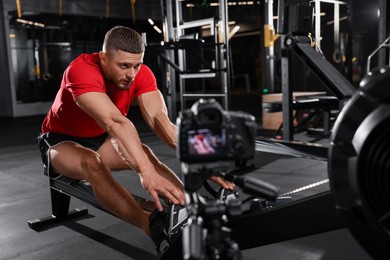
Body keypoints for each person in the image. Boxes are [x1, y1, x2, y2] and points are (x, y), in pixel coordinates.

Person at [37, 25, 234, 253]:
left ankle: (191, 208)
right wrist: (146, 174)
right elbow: (116, 122)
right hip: (59, 141)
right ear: (103, 58)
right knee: (92, 162)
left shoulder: (141, 74)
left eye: (136, 65)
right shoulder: (80, 71)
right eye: (124, 66)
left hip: (99, 138)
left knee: (146, 154)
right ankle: (152, 227)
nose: (131, 74)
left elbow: (161, 121)